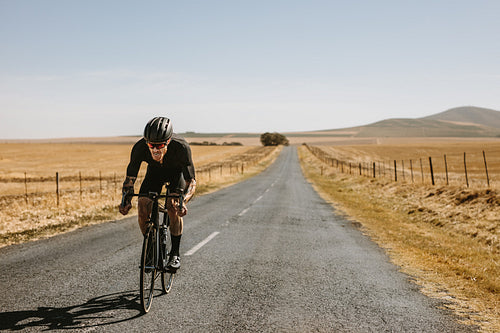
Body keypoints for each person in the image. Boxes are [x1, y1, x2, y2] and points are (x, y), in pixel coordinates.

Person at [119, 117, 196, 271]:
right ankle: (151, 248)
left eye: (159, 145)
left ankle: (175, 254)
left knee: (173, 207)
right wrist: (126, 200)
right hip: (154, 175)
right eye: (151, 145)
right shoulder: (140, 147)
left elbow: (191, 182)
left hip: (176, 175)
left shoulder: (181, 147)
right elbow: (129, 181)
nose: (154, 149)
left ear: (167, 142)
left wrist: (183, 201)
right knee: (142, 206)